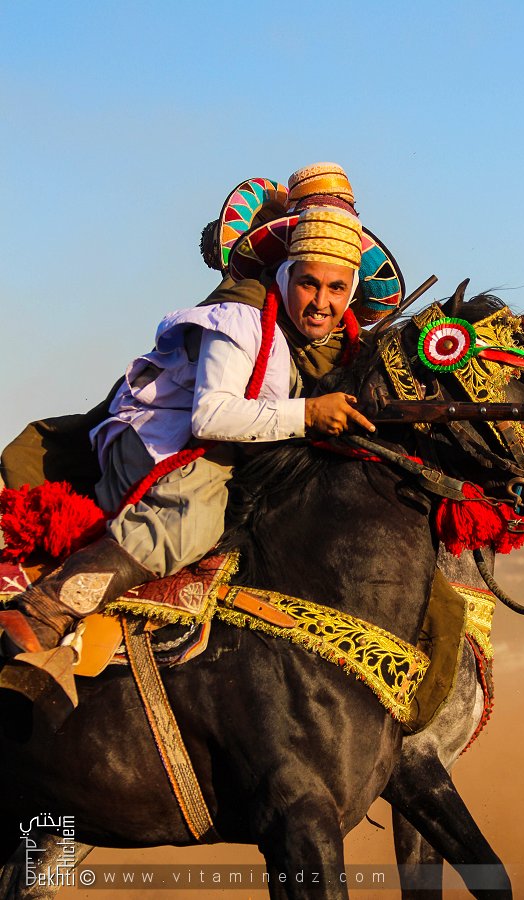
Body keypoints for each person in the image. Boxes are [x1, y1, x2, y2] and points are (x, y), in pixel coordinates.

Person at [0, 204, 376, 661]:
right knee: (192, 520)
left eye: (336, 288)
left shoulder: (322, 343)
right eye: (308, 283)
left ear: (352, 290)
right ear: (285, 276)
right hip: (158, 441)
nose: (321, 302)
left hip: (214, 447)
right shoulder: (240, 319)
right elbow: (211, 416)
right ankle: (45, 609)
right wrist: (308, 415)